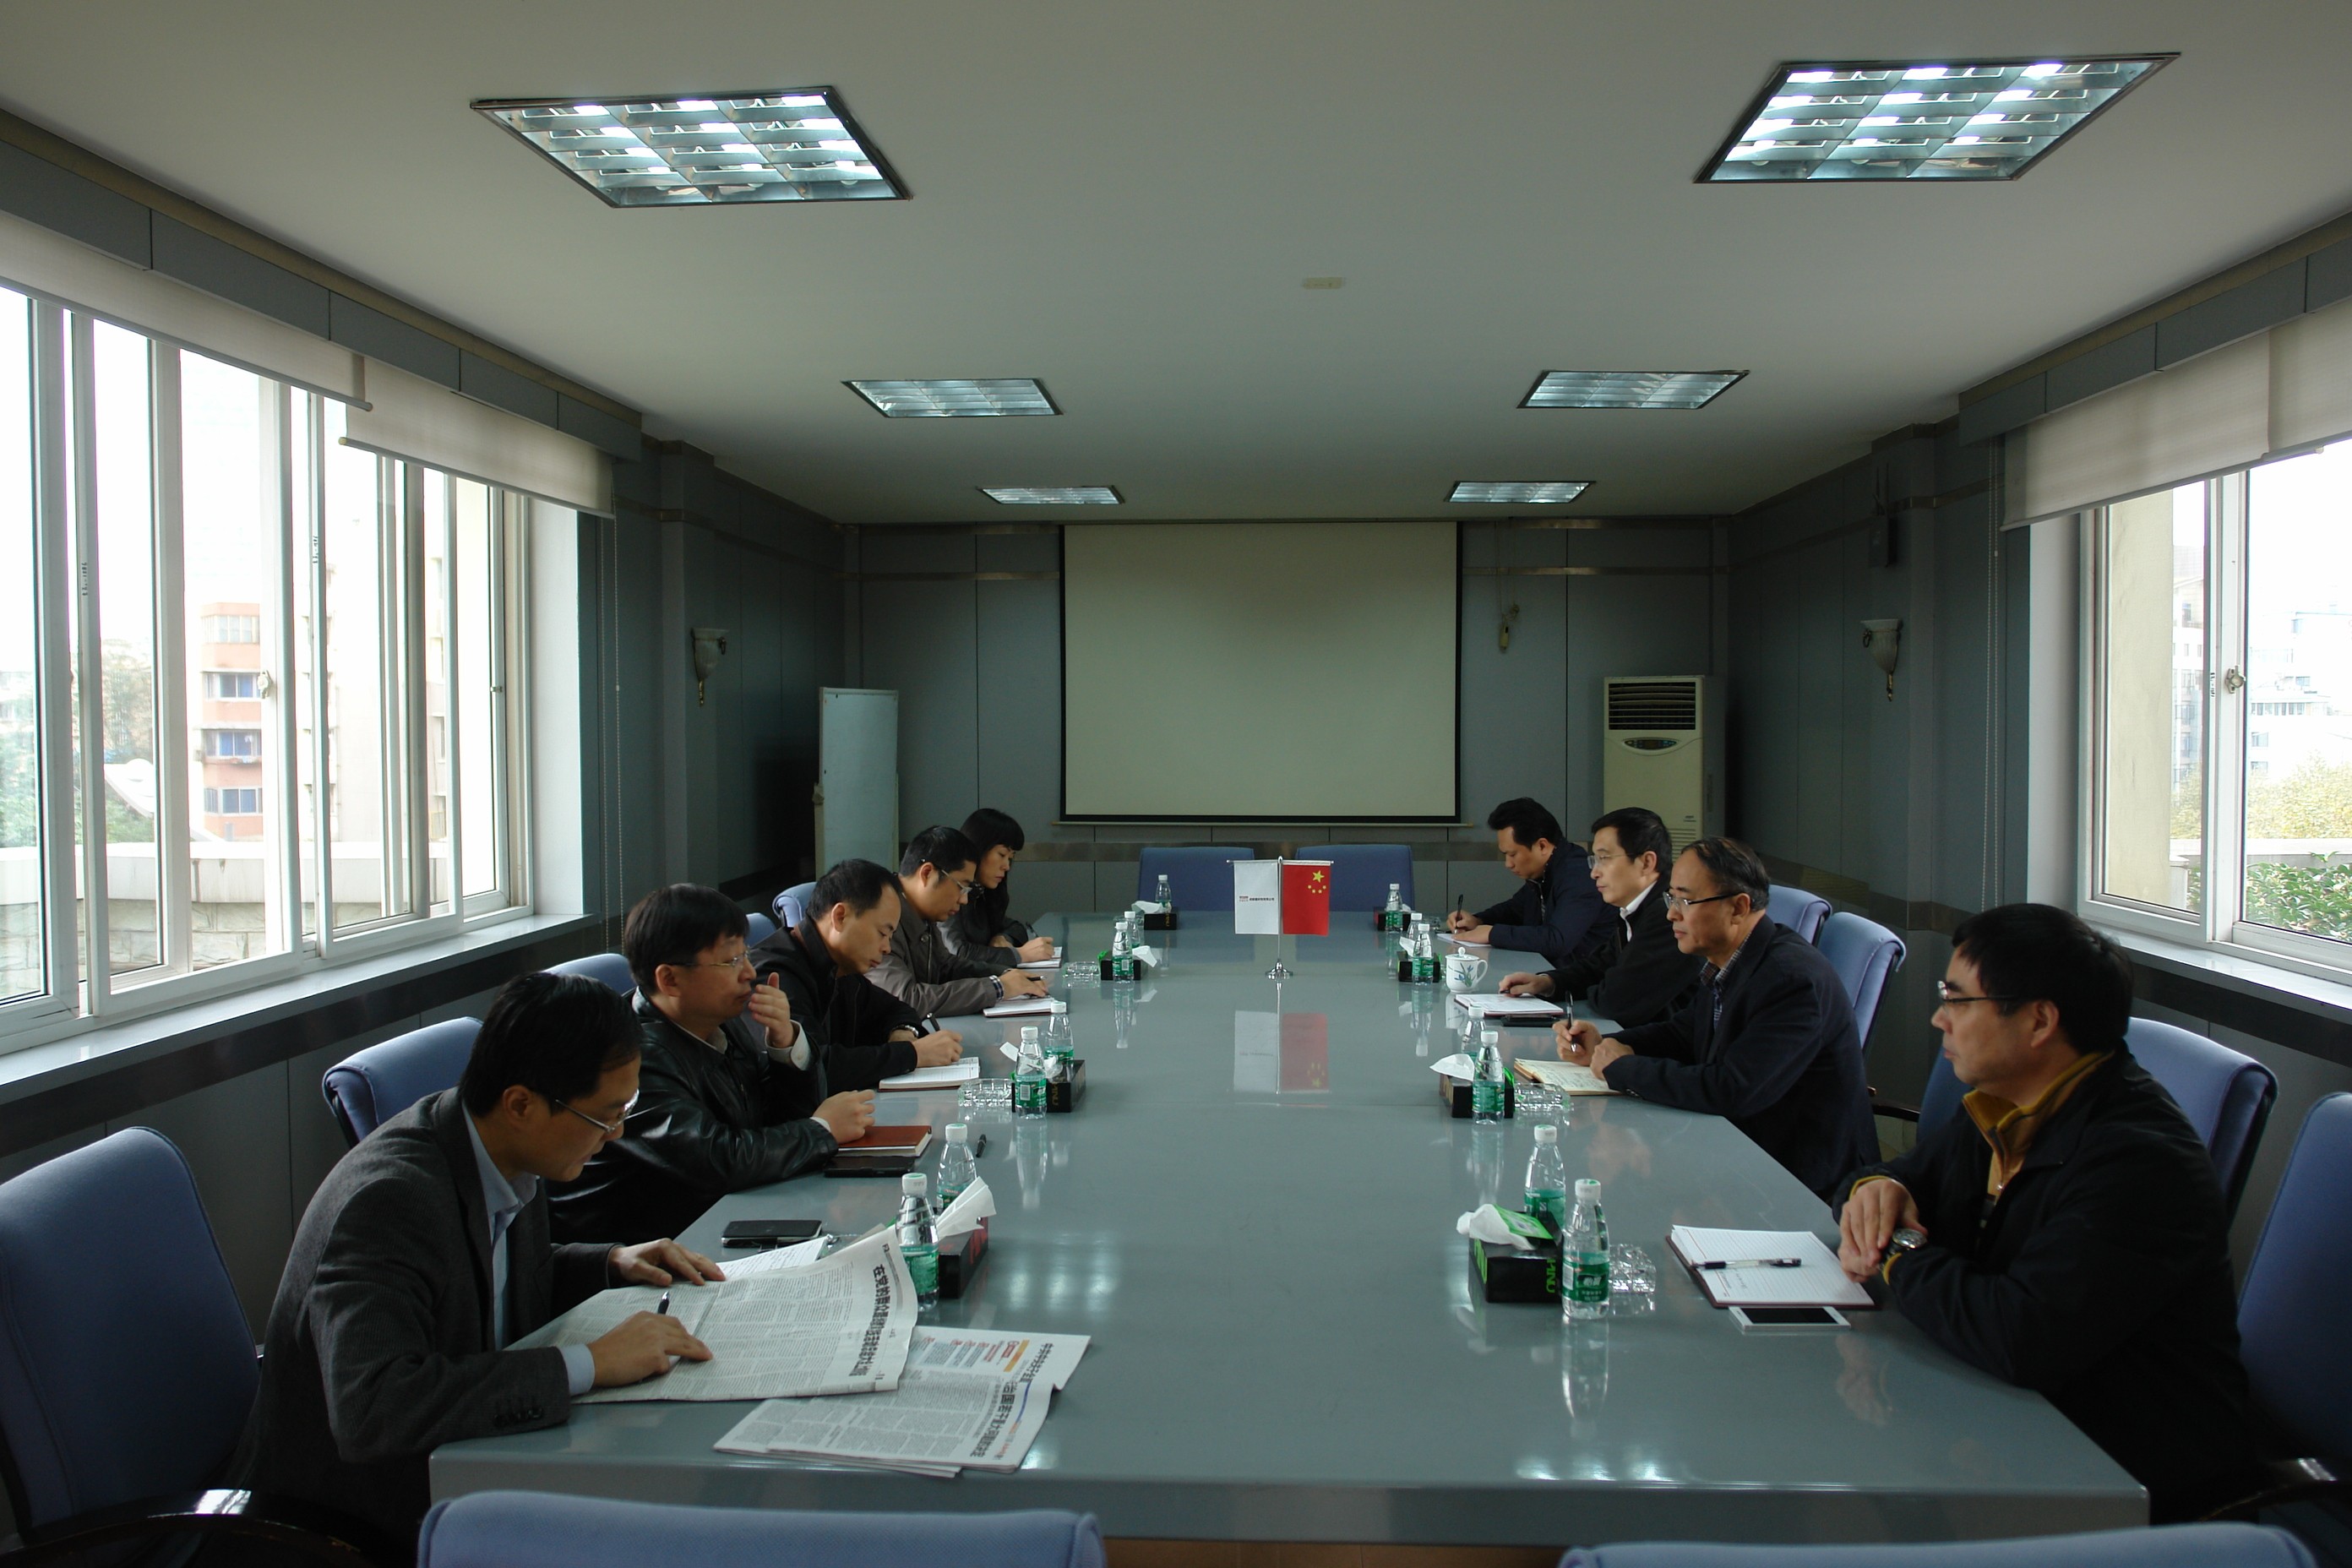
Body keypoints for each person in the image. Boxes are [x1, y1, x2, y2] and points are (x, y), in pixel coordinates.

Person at [237, 972, 721, 1549]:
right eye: (605, 1116)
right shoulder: (389, 1201)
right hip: (356, 1523)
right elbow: (374, 1408)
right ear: (521, 1104)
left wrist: (612, 1263)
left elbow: (487, 1278)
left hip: (473, 1466)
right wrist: (589, 1363)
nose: (615, 1135)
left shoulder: (504, 1150)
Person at [1836, 905, 2260, 1521]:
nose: (1938, 1018)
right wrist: (1874, 1190)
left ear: (2038, 1021)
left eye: (1957, 1000)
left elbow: (2019, 1336)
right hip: (1993, 1421)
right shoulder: (2004, 1105)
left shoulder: (2141, 1162)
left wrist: (1897, 1251)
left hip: (2119, 1477)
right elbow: (1893, 1180)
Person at [550, 885, 879, 1244]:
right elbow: (719, 1161)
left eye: (745, 955)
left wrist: (785, 1044)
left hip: (715, 1220)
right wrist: (822, 1129)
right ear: (669, 979)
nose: (749, 972)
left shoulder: (717, 1020)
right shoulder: (633, 1057)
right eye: (730, 962)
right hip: (645, 1248)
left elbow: (775, 1117)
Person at [1554, 836, 1875, 1198]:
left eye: (1685, 901)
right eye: (1671, 899)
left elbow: (1733, 1090)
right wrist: (1608, 1044)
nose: (1672, 914)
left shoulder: (1790, 980)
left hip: (1798, 1183)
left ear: (1738, 907)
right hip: (1742, 1152)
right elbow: (1685, 1032)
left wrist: (1622, 1068)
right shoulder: (1732, 957)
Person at [752, 858, 966, 1086]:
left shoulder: (841, 968)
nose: (886, 948)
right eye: (882, 933)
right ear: (840, 917)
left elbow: (897, 1009)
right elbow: (814, 1066)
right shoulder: (774, 974)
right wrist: (912, 1055)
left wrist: (903, 1032)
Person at [1499, 806, 1700, 1029]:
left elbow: (1616, 1001)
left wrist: (1601, 987)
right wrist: (1548, 982)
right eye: (1594, 860)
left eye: (1604, 858)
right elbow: (1599, 966)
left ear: (1646, 862)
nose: (1594, 872)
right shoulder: (1633, 909)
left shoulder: (1667, 915)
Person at [870, 825, 1051, 1017]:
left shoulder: (922, 915)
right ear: (927, 873)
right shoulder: (880, 919)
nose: (964, 899)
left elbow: (947, 966)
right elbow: (908, 999)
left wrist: (1005, 975)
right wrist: (998, 987)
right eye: (961, 887)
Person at [1446, 797, 1610, 966]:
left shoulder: (1579, 876)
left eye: (1512, 854)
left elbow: (1557, 940)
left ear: (1542, 846)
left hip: (1582, 979)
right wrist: (1477, 921)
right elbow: (1515, 910)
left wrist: (1492, 934)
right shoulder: (1544, 872)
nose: (1508, 864)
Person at [945, 806, 1057, 973]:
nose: (1006, 866)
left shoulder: (982, 892)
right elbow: (958, 952)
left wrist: (1002, 937)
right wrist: (1020, 955)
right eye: (1002, 855)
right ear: (979, 849)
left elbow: (1016, 927)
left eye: (1010, 858)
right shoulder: (950, 892)